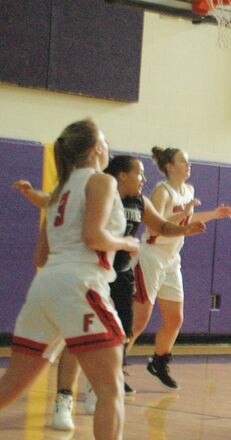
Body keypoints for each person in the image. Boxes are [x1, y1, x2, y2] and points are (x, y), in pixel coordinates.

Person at [13, 155, 206, 429]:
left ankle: (95, 390)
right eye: (139, 173)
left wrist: (185, 228)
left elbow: (161, 225)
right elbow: (53, 202)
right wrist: (33, 194)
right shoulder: (98, 194)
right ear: (123, 175)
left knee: (118, 338)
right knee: (77, 340)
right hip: (91, 276)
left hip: (122, 277)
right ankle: (64, 399)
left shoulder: (140, 201)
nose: (144, 179)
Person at [0, 119, 139, 440]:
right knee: (110, 389)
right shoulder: (101, 182)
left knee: (9, 387)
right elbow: (94, 236)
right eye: (105, 142)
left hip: (44, 287)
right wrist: (127, 243)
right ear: (96, 149)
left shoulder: (59, 191)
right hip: (81, 284)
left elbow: (40, 258)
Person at [128, 146, 231, 390]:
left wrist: (213, 214)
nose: (189, 165)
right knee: (139, 320)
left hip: (172, 258)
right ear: (170, 166)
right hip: (151, 256)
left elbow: (188, 219)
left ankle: (158, 362)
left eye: (188, 161)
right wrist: (184, 214)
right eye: (184, 161)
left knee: (175, 318)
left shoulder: (189, 190)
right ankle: (115, 366)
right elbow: (156, 227)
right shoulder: (161, 192)